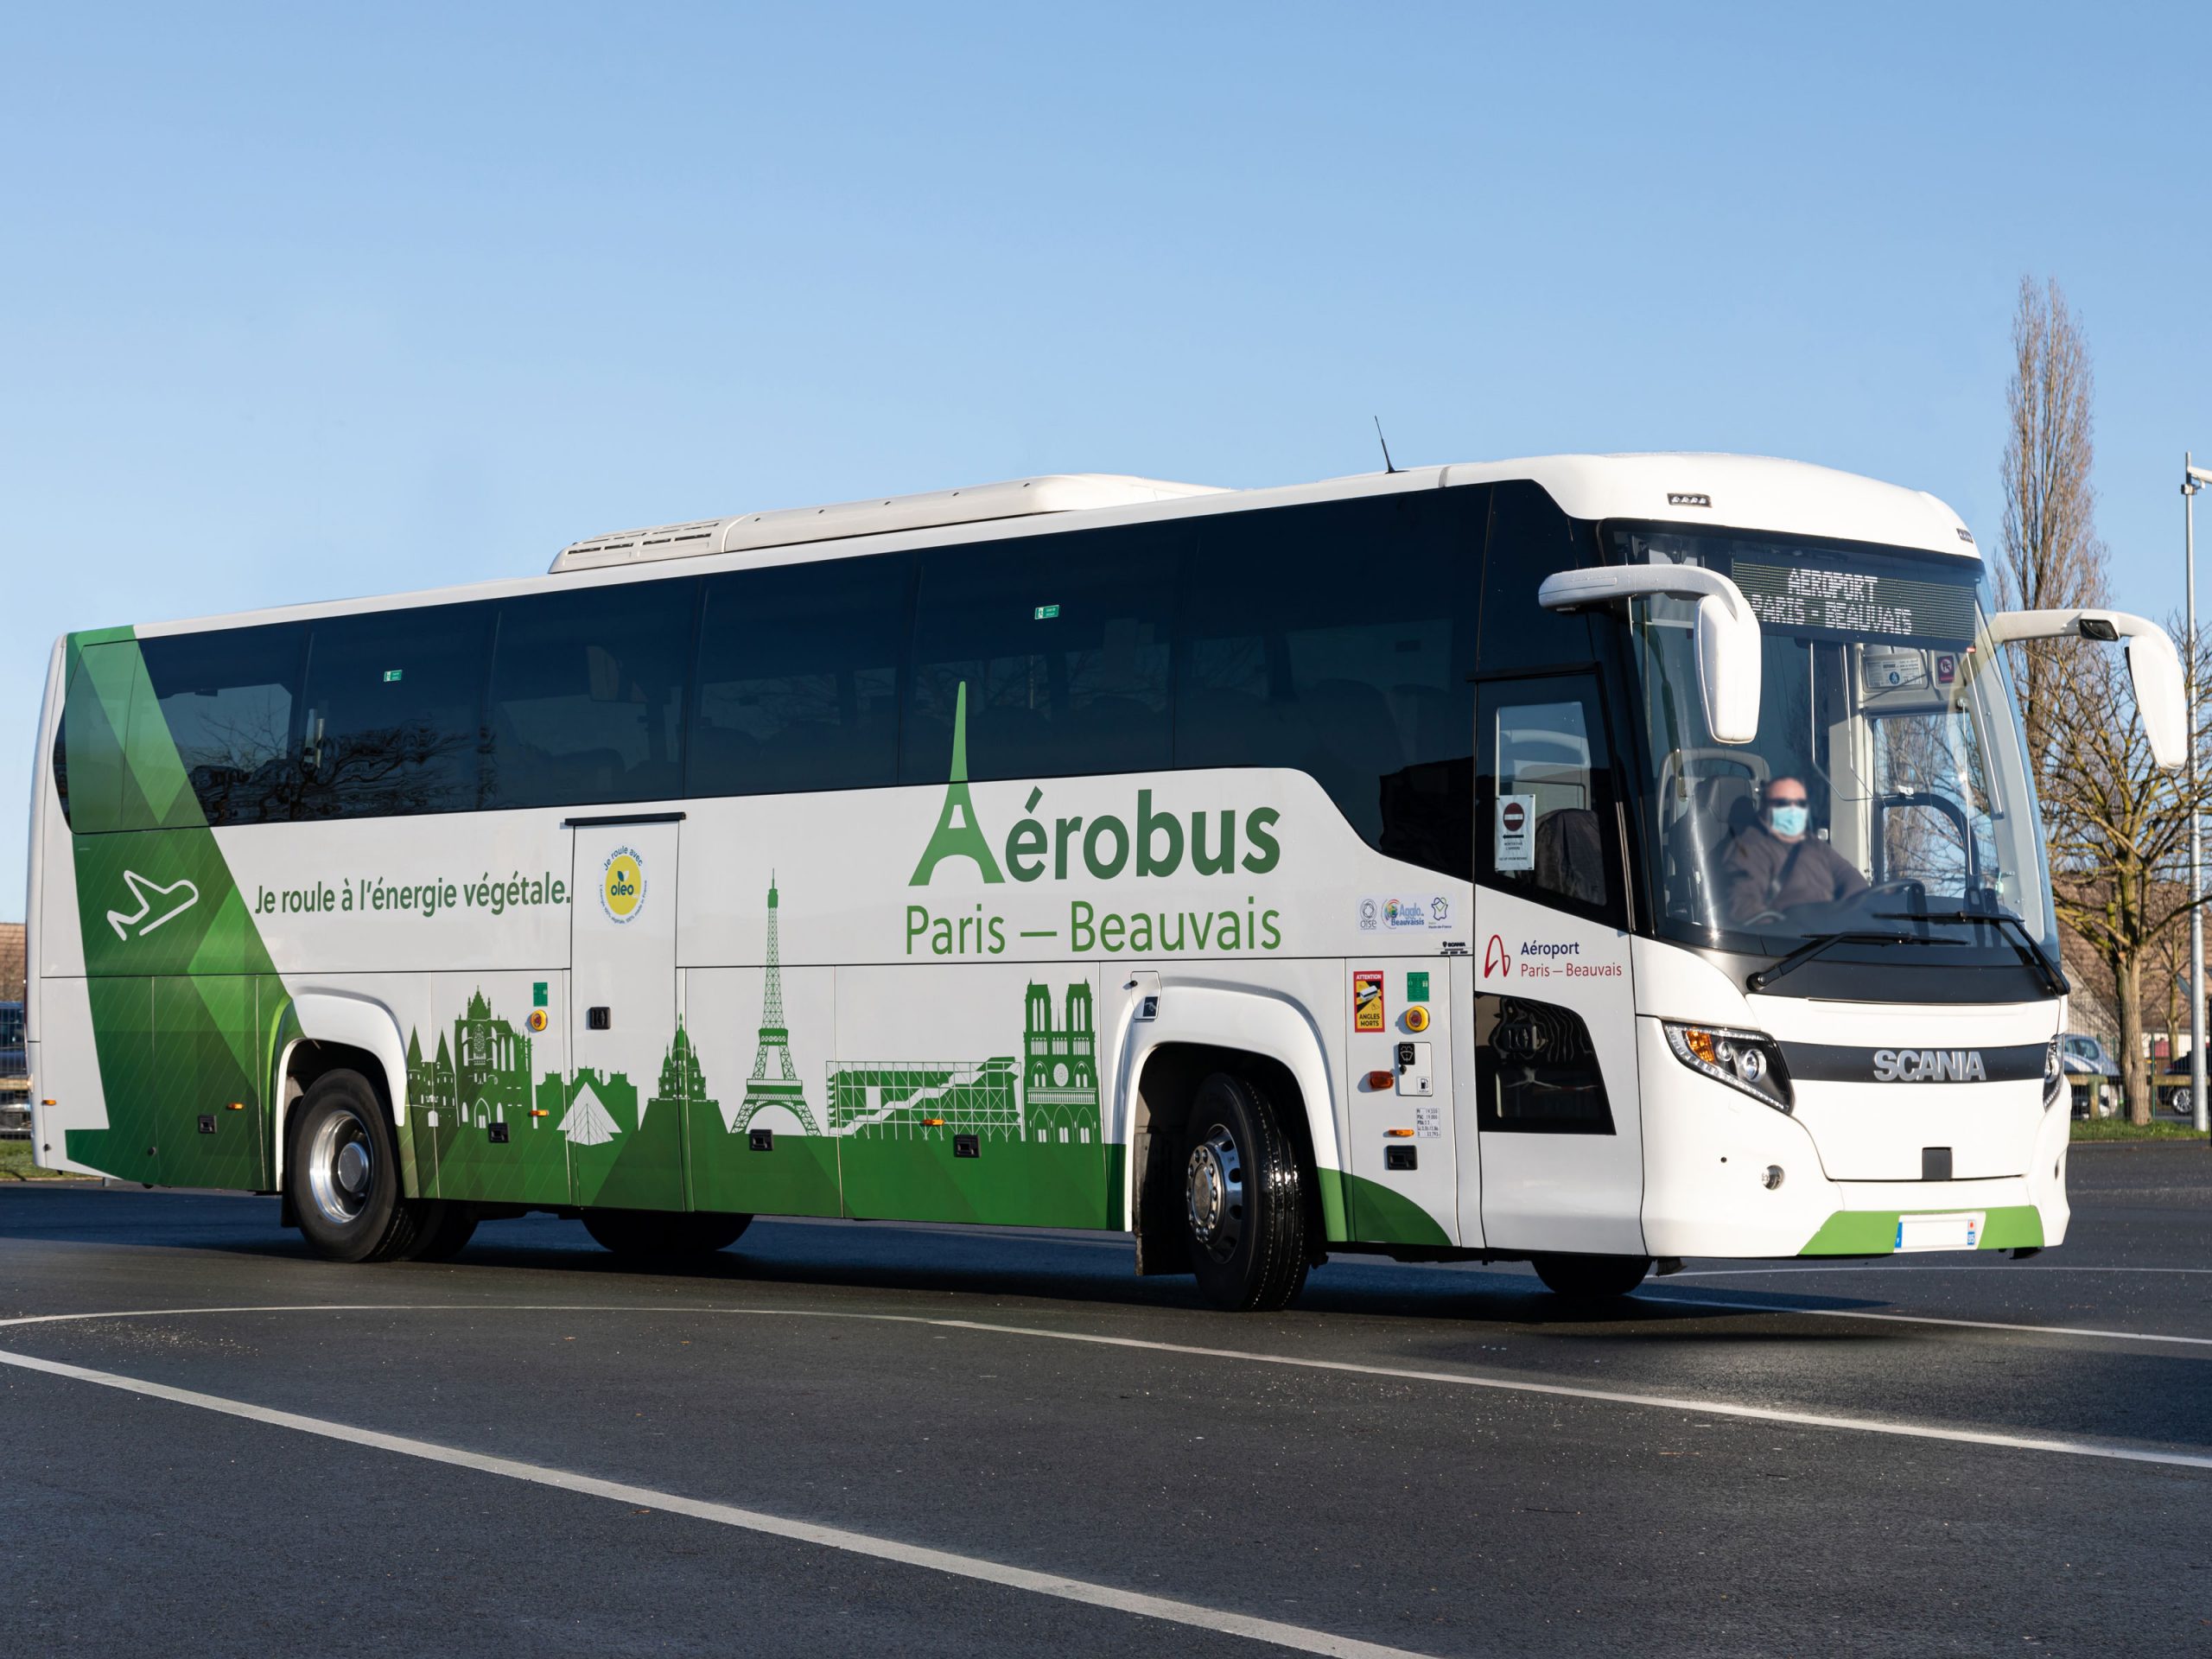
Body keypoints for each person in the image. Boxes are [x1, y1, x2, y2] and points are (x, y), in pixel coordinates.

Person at [1719, 776, 1867, 924]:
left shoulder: (1812, 842)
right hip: (1793, 942)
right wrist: (1789, 933)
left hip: (1831, 936)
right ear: (1764, 806)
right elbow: (1744, 907)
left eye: (1800, 804)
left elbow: (1848, 876)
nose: (1793, 810)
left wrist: (1857, 910)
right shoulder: (1749, 847)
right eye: (1783, 803)